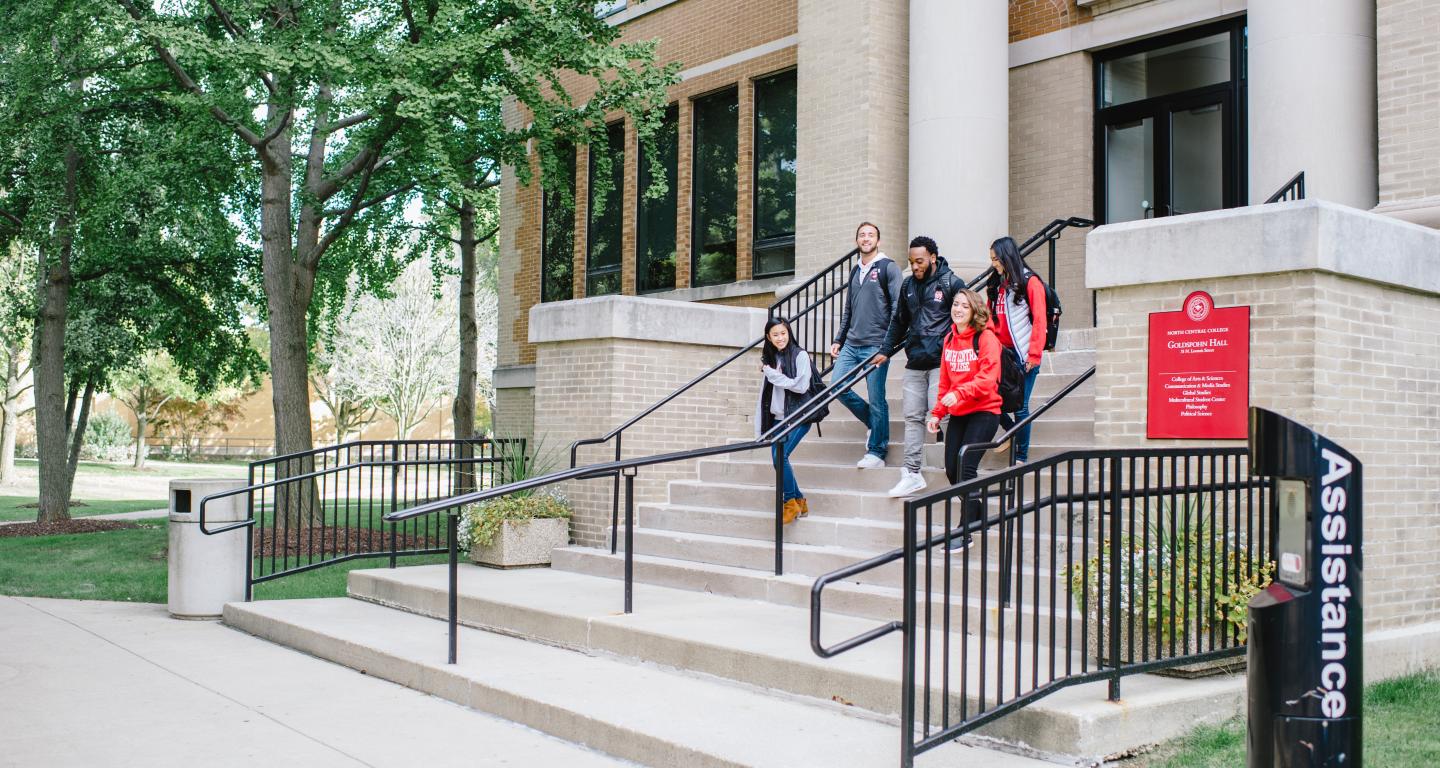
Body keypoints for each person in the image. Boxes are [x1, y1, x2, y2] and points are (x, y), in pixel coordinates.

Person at [875, 236, 962, 497]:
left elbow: (968, 317)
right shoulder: (908, 286)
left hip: (941, 363)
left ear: (933, 257)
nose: (915, 266)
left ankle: (956, 470)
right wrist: (885, 351)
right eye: (911, 261)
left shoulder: (951, 283)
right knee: (912, 418)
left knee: (943, 415)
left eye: (920, 261)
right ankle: (911, 473)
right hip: (915, 363)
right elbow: (898, 322)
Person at [926, 289, 1001, 546]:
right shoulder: (949, 339)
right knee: (951, 468)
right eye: (956, 304)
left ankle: (964, 530)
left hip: (985, 410)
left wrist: (959, 393)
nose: (958, 309)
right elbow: (945, 380)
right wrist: (937, 412)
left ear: (974, 311)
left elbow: (987, 379)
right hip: (959, 411)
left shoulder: (986, 337)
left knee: (966, 465)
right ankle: (977, 507)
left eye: (964, 306)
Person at [830, 222, 903, 469]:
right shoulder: (855, 271)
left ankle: (877, 451)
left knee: (877, 397)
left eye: (871, 235)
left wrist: (887, 346)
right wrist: (839, 338)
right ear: (857, 241)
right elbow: (848, 309)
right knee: (836, 387)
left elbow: (897, 308)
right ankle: (873, 422)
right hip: (851, 343)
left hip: (876, 345)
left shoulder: (888, 267)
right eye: (862, 235)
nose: (866, 238)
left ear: (878, 241)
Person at [985, 236, 1046, 463]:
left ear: (1007, 256)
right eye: (991, 259)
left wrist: (1034, 355)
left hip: (1024, 355)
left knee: (1020, 406)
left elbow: (1040, 321)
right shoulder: (997, 285)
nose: (994, 264)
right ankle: (1012, 433)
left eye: (996, 259)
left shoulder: (1031, 283)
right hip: (1003, 355)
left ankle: (1021, 456)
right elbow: (990, 319)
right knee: (991, 399)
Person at [755, 318, 814, 524]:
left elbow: (801, 386)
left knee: (781, 458)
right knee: (777, 461)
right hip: (777, 419)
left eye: (783, 333)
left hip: (798, 415)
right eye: (775, 335)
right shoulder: (771, 359)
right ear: (768, 338)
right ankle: (799, 500)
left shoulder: (800, 355)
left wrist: (769, 373)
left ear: (789, 333)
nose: (780, 338)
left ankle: (789, 502)